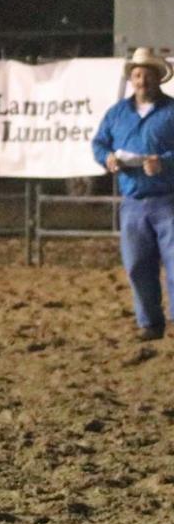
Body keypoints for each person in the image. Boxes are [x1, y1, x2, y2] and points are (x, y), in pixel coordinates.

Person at [92, 47, 174, 342]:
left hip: (168, 199)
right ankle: (150, 323)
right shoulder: (116, 114)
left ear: (157, 78)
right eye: (138, 75)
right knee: (138, 266)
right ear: (132, 79)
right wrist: (108, 158)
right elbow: (99, 144)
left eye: (147, 75)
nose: (142, 80)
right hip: (133, 201)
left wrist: (164, 161)